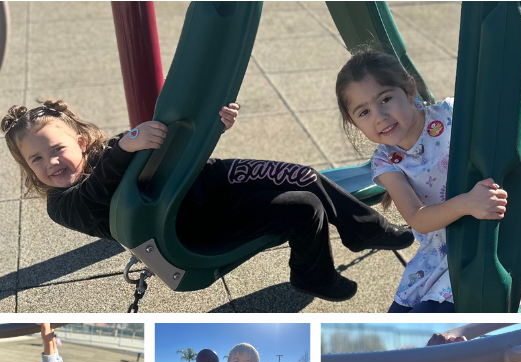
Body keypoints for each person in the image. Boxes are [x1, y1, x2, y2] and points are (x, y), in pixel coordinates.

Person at [2, 100, 415, 303]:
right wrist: (125, 147)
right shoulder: (64, 205)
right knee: (305, 207)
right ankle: (313, 274)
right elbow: (99, 192)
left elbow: (168, 150)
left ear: (78, 141)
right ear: (27, 168)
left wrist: (210, 128)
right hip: (191, 228)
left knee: (304, 176)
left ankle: (363, 229)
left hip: (209, 181)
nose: (51, 163)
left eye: (56, 149)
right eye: (36, 159)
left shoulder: (108, 151)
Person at [335, 43, 521, 312]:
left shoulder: (451, 115)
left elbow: (509, 121)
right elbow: (418, 219)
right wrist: (465, 203)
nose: (380, 117)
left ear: (410, 90)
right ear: (355, 123)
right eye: (364, 112)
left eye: (385, 99)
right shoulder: (386, 161)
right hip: (438, 254)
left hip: (482, 241)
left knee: (428, 322)